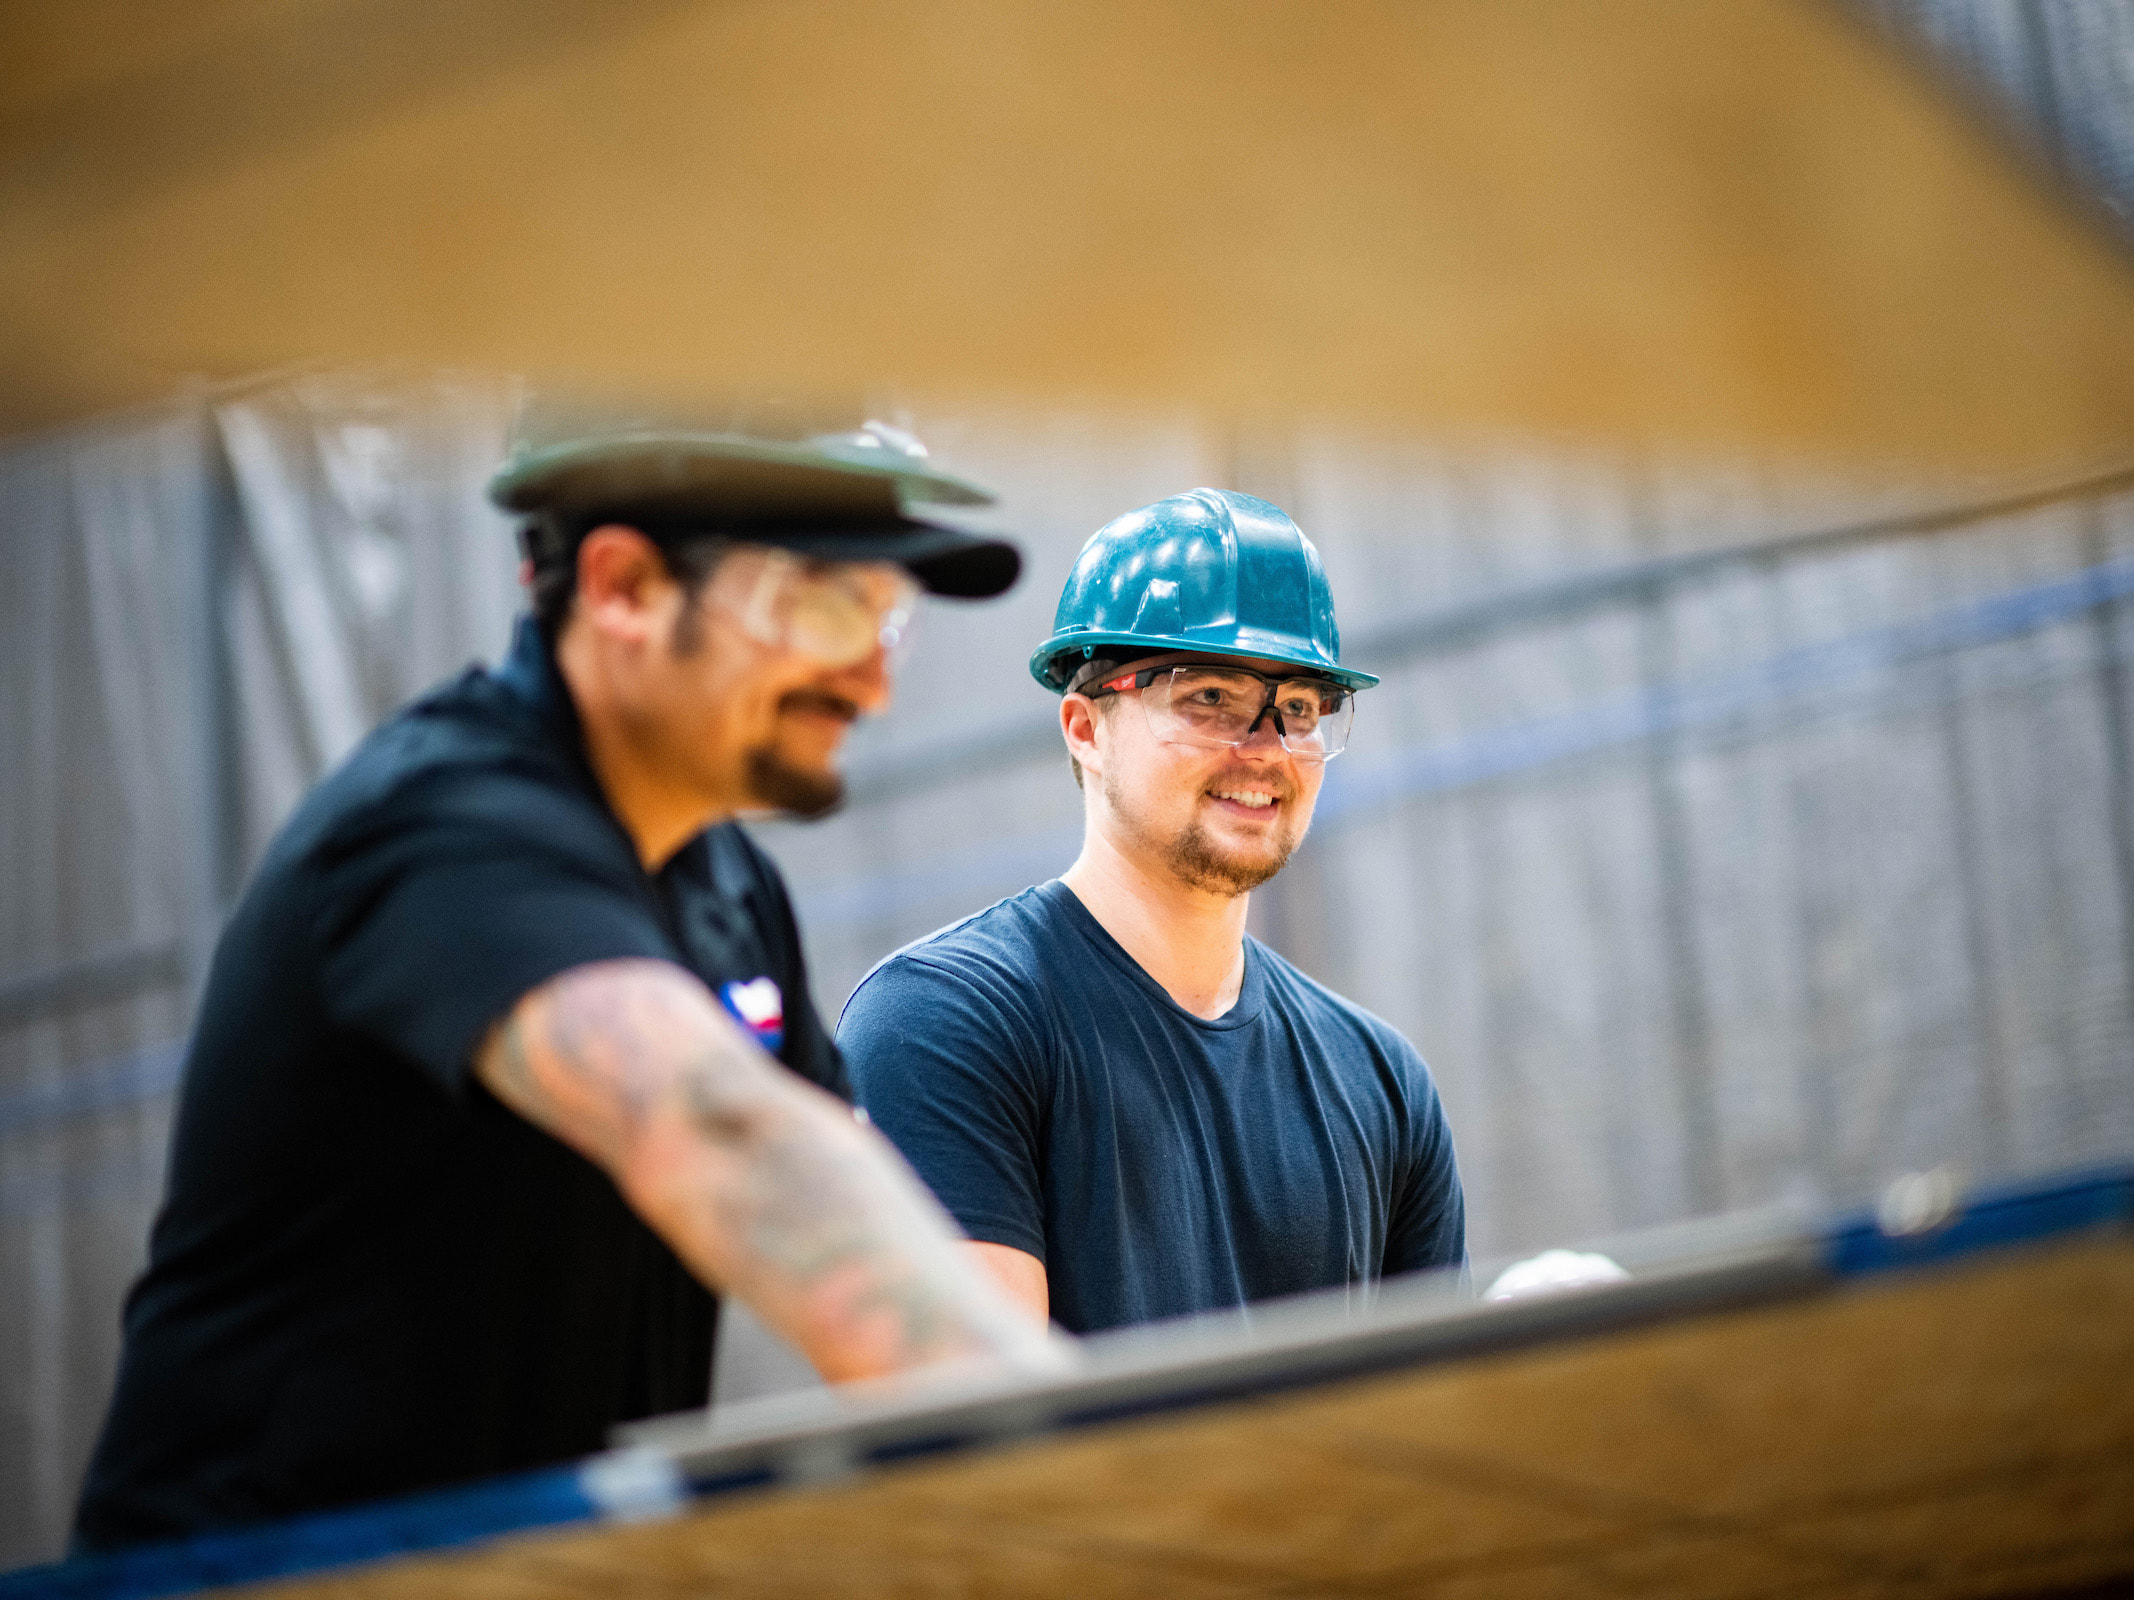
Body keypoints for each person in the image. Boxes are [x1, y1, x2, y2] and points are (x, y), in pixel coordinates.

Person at [74, 422, 1060, 1550]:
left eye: (889, 614)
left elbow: (869, 1231)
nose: (875, 681)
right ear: (625, 586)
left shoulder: (729, 887)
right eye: (826, 602)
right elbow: (728, 1137)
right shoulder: (440, 827)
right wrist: (1101, 1477)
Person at [840, 488, 1465, 1335]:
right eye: (1210, 697)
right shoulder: (943, 1024)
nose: (1267, 748)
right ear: (1085, 728)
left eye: (1302, 709)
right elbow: (977, 1428)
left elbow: (1431, 1425)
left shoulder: (1385, 1085)